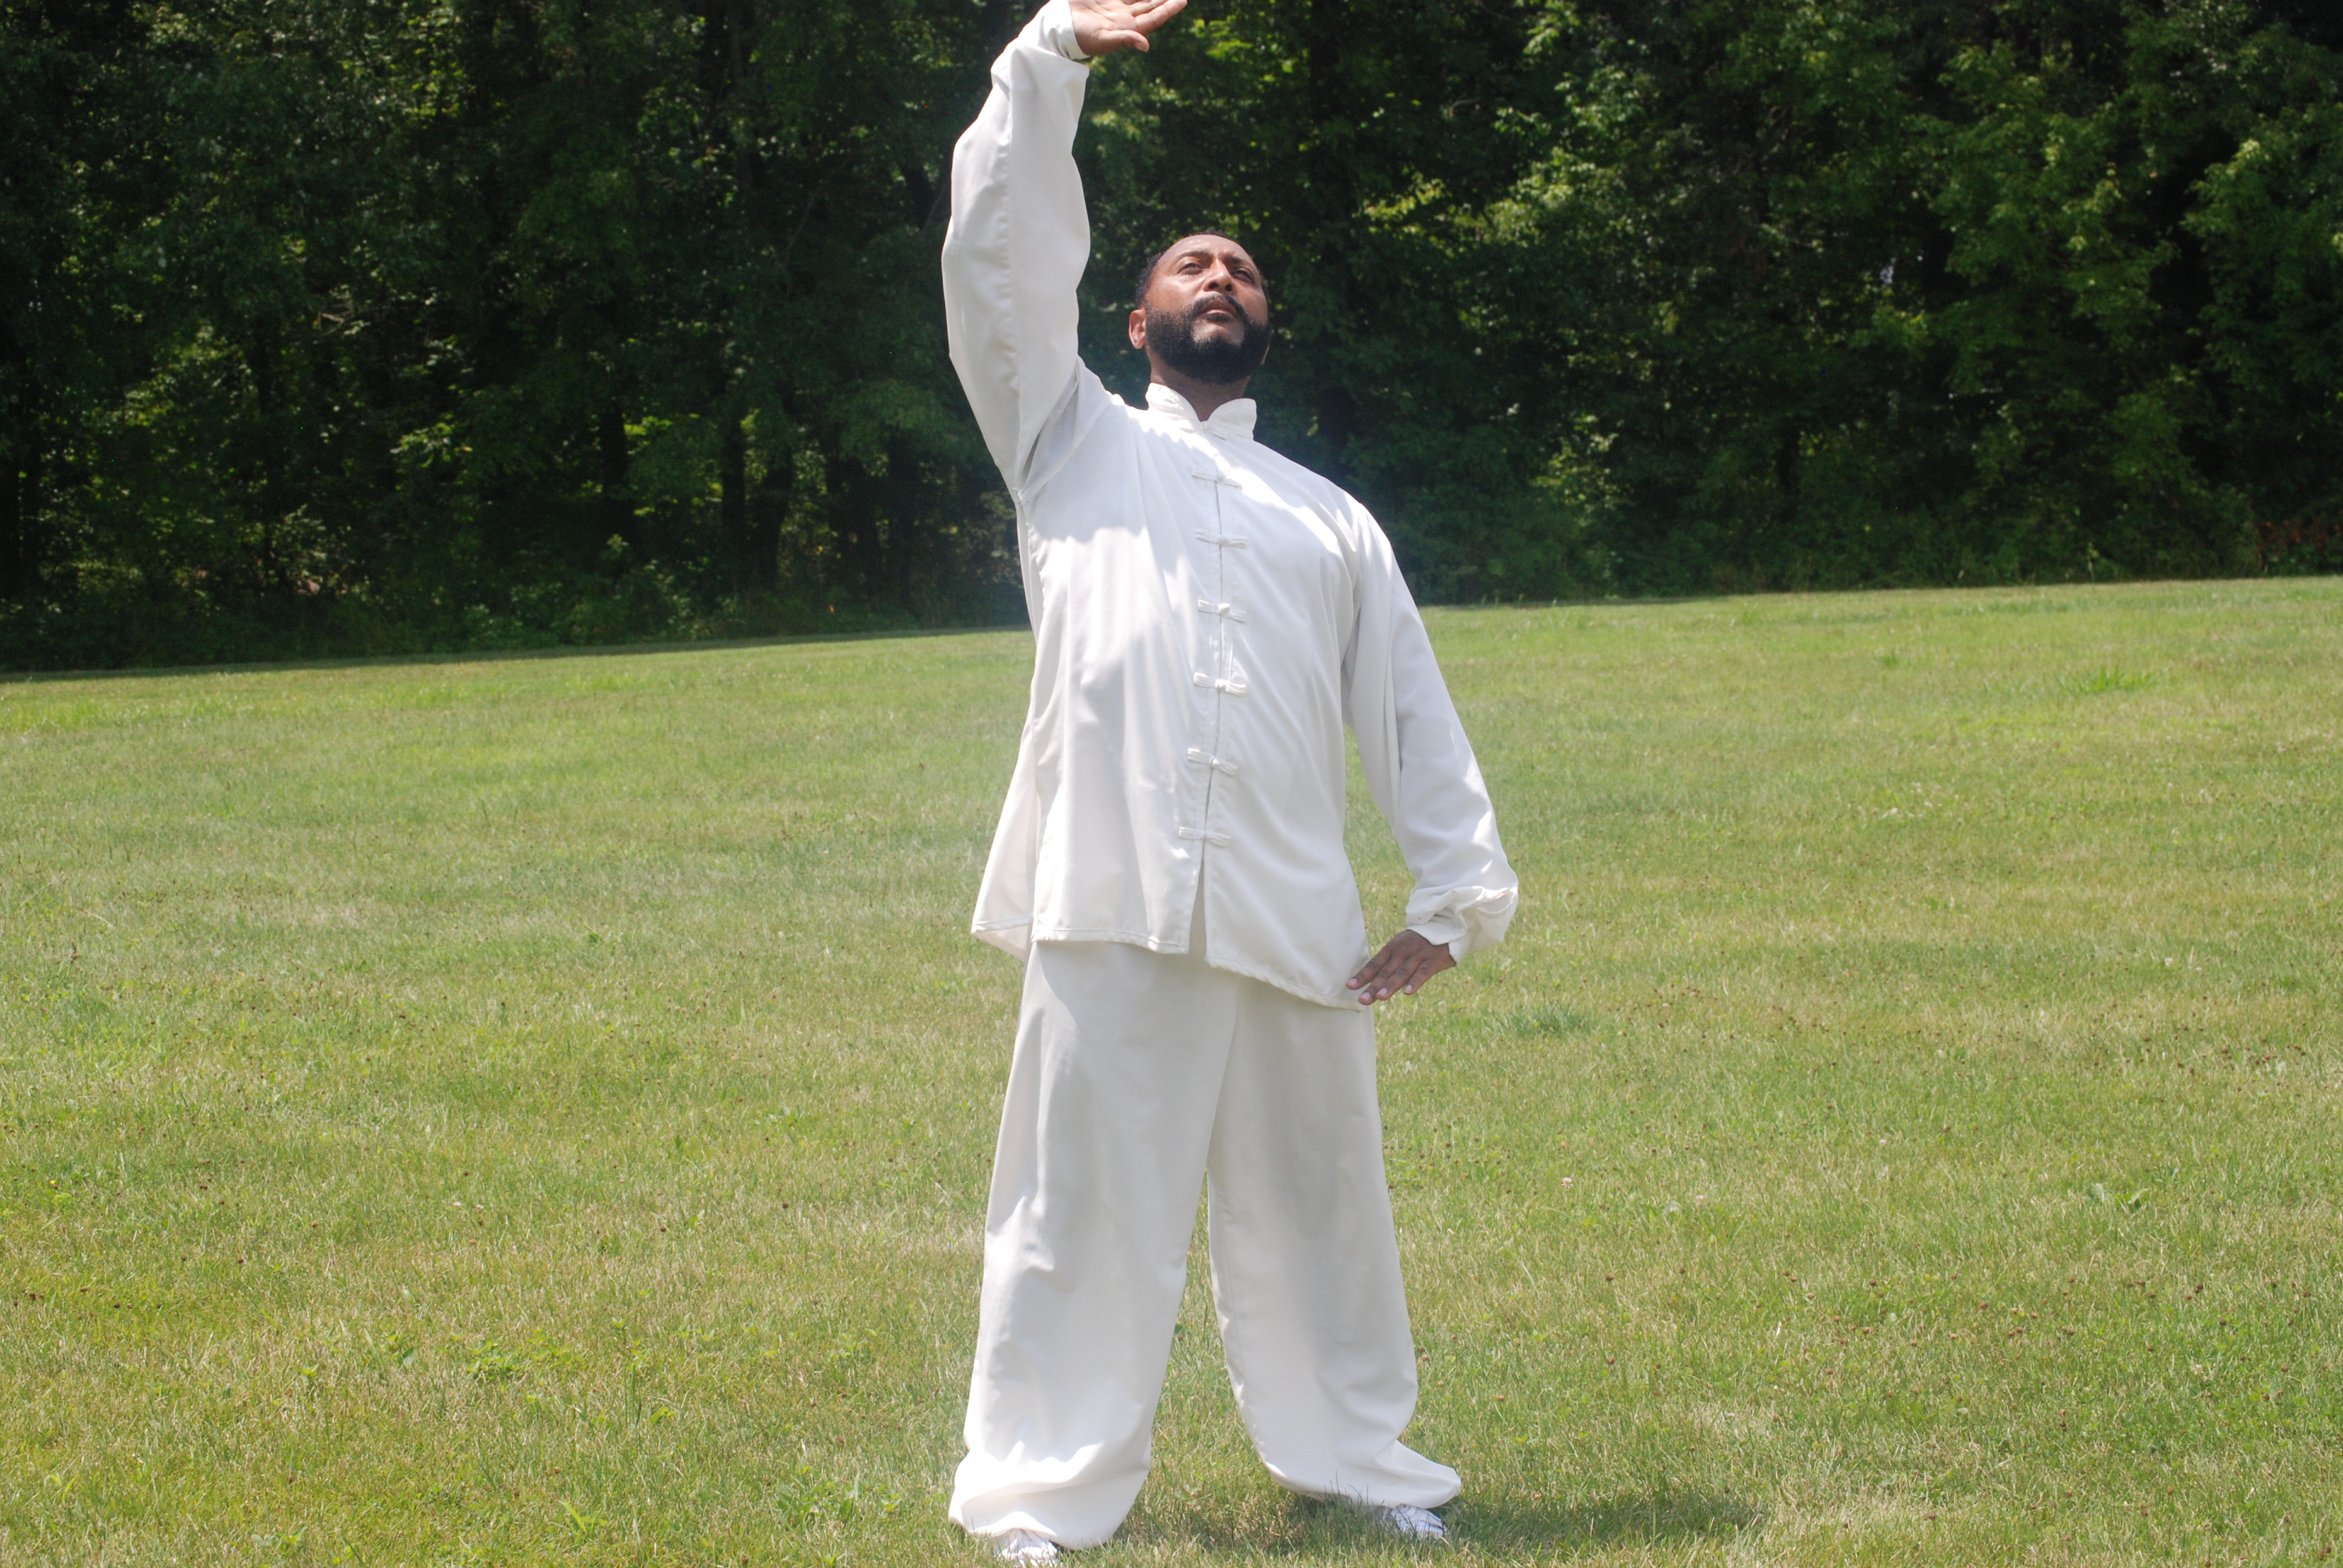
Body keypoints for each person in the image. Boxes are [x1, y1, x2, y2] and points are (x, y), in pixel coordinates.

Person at [939, 0, 1518, 1557]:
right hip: (1106, 891)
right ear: (1132, 325)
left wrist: (1455, 897)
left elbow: (1406, 707)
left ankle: (1361, 1462)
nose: (1219, 277)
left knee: (1323, 1209)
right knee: (1075, 1213)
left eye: (1242, 269)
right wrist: (1046, 59)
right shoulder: (1065, 442)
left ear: (1267, 325)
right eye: (1189, 265)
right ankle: (1037, 1498)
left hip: (1294, 917)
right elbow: (998, 264)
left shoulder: (1329, 517)